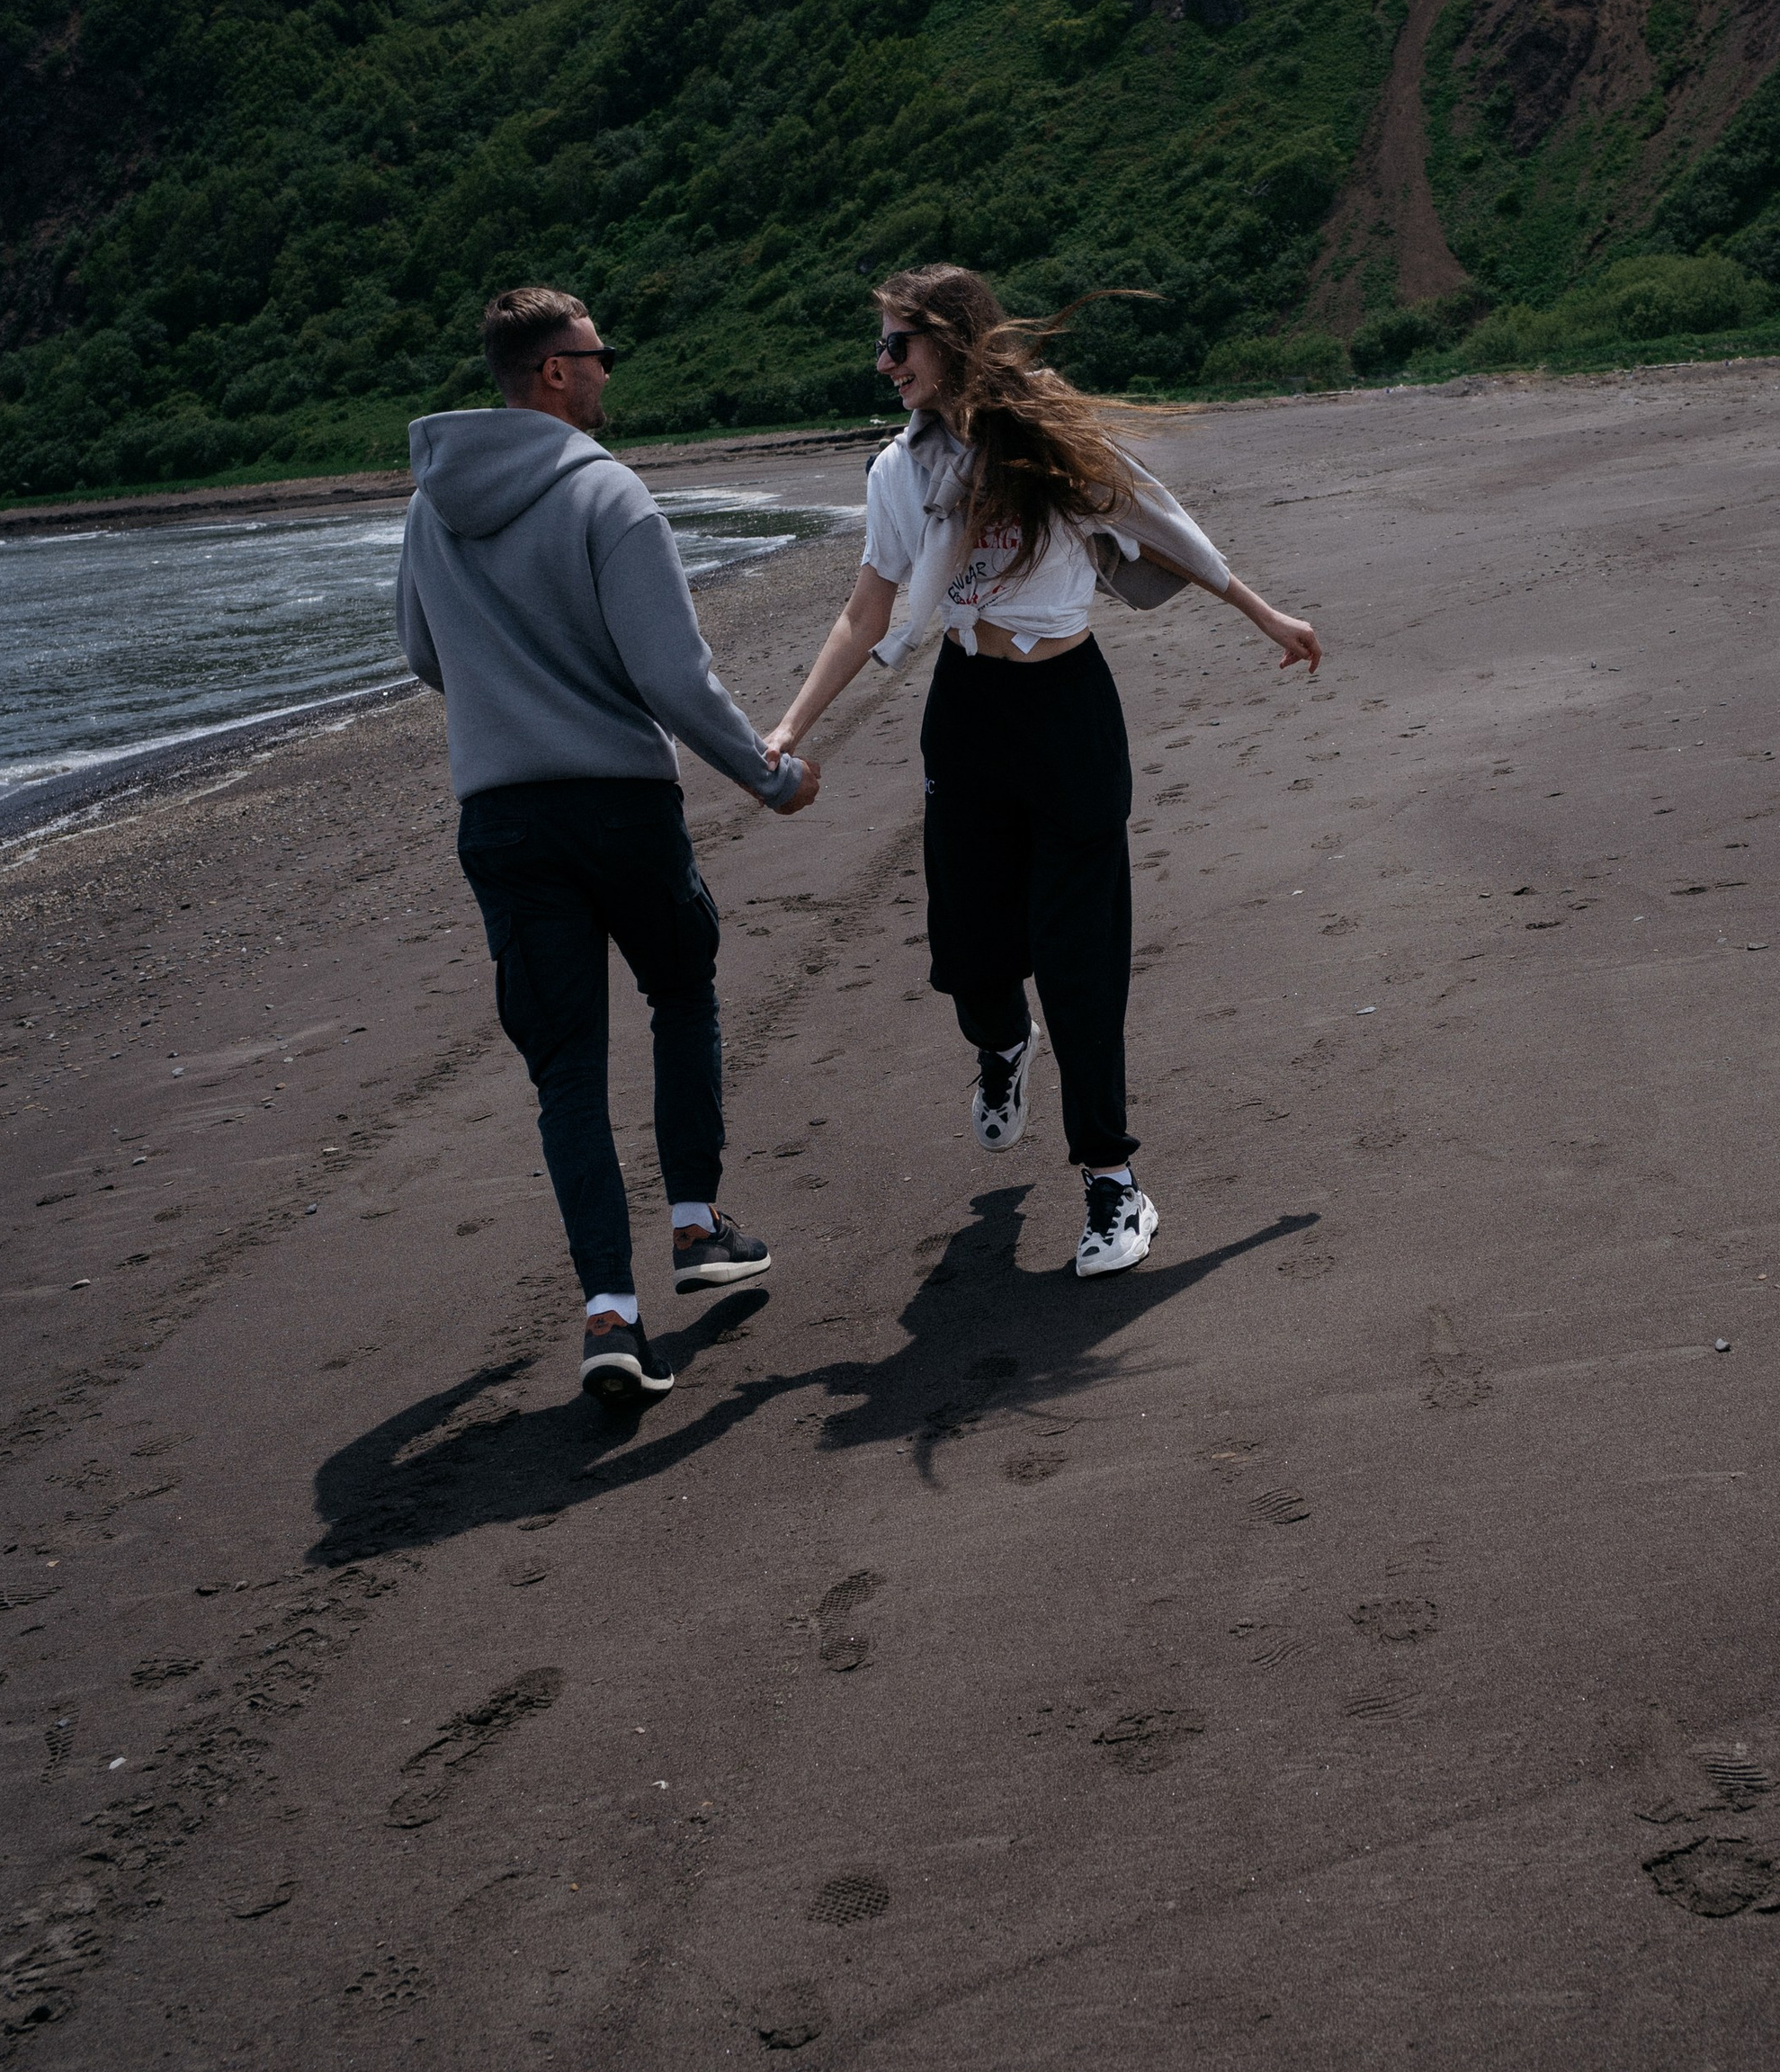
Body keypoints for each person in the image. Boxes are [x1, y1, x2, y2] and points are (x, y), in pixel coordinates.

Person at [766, 264, 1319, 1276]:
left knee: (1082, 959)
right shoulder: (900, 471)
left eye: (899, 343)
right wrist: (791, 725)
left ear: (952, 341)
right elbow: (869, 609)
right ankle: (999, 1044)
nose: (882, 363)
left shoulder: (1058, 441)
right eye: (880, 345)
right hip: (969, 713)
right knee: (968, 958)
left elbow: (1165, 525)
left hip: (1068, 711)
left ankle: (1113, 1182)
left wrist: (1266, 615)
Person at [398, 284, 818, 1404]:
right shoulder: (608, 494)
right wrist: (769, 777)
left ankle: (609, 1315)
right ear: (552, 371)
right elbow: (671, 677)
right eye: (598, 354)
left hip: (505, 819)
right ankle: (694, 1227)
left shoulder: (429, 508)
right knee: (681, 991)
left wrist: (512, 680)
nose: (608, 372)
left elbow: (425, 657)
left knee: (565, 1074)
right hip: (620, 805)